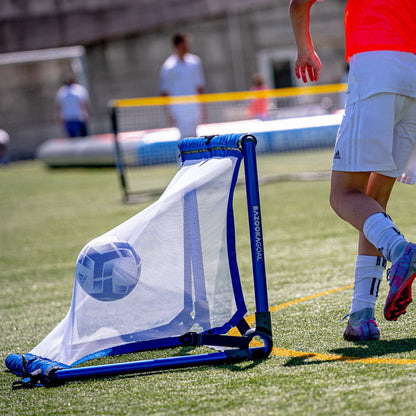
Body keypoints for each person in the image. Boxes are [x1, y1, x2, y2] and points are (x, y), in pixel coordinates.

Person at [290, 0, 416, 341]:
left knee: (343, 194)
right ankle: (361, 316)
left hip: (375, 65)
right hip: (413, 71)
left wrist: (305, 50)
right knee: (373, 205)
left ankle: (402, 251)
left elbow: (299, 4)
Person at [159, 32, 206, 140]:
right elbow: (165, 91)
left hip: (194, 104)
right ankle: (182, 157)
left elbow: (199, 86)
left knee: (195, 135)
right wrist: (168, 112)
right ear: (176, 47)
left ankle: (197, 157)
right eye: (183, 45)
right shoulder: (168, 66)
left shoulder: (195, 62)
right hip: (178, 107)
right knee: (183, 137)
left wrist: (202, 107)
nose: (185, 48)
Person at [56, 72, 91, 138]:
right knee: (72, 139)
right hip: (68, 119)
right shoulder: (61, 92)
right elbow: (59, 107)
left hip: (79, 117)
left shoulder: (79, 89)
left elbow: (85, 104)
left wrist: (87, 115)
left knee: (84, 138)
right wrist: (61, 120)